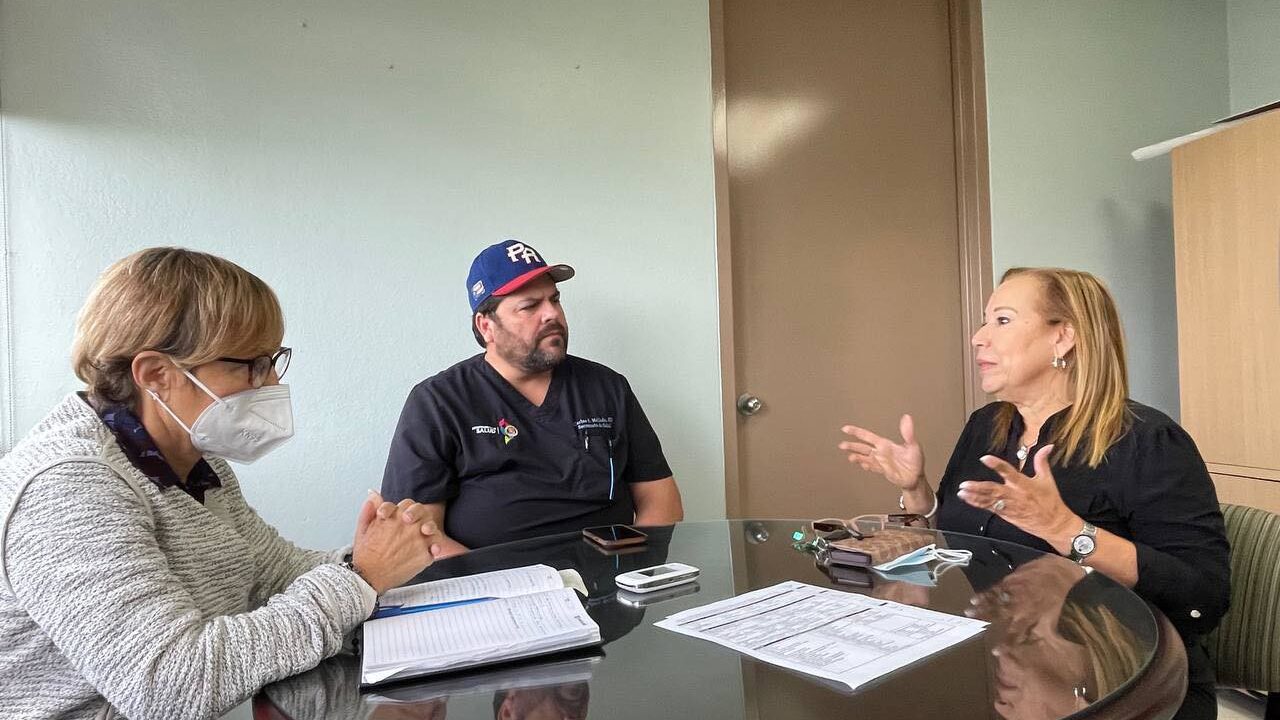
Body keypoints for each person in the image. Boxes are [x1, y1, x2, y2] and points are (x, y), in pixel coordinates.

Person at [0, 248, 440, 720]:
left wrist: (373, 555)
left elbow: (273, 575)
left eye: (273, 360)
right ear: (157, 376)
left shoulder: (195, 465)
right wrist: (361, 578)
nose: (270, 382)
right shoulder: (69, 485)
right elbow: (169, 687)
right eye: (249, 364)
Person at [838, 267, 1229, 720]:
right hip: (1006, 652)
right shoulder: (986, 426)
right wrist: (917, 492)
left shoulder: (1148, 440)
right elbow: (964, 539)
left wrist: (1069, 531)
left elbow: (1204, 597)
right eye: (985, 321)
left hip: (1127, 681)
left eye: (1002, 321)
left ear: (1063, 338)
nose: (978, 338)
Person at [381, 240, 683, 553]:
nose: (552, 314)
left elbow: (661, 500)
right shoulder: (438, 402)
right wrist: (499, 588)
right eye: (529, 306)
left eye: (555, 300)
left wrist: (636, 573)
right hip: (493, 591)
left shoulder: (608, 388)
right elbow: (417, 534)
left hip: (606, 583)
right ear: (486, 326)